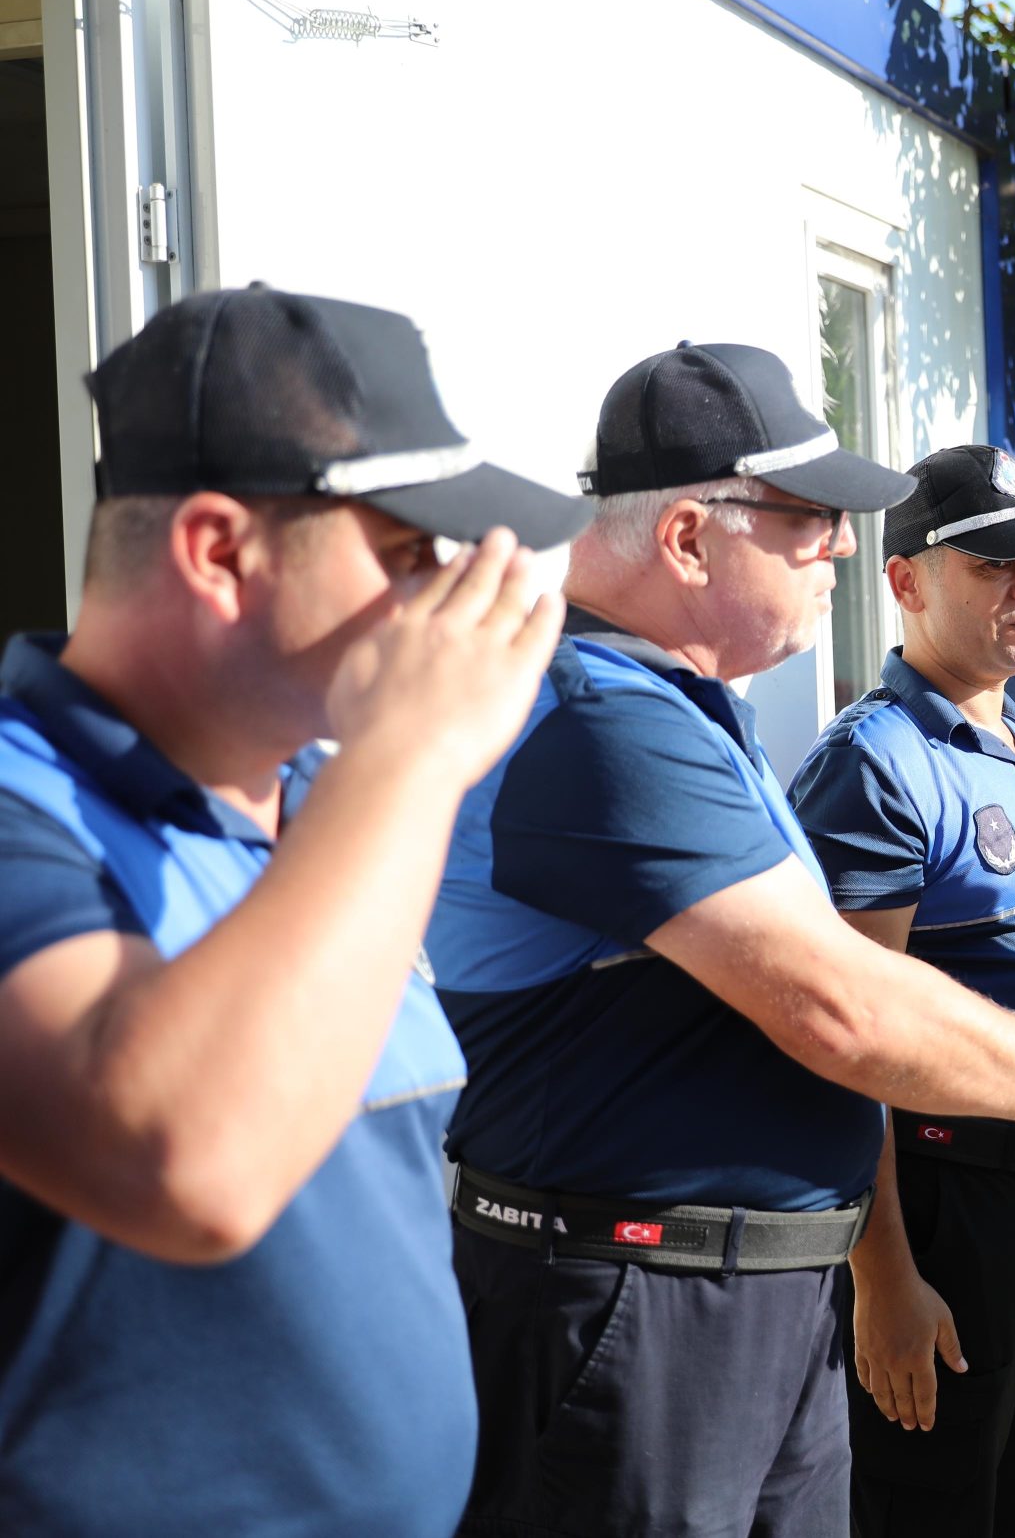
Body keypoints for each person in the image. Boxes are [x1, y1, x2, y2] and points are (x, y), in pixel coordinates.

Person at [427, 350, 1015, 1538]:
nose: (837, 547)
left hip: (724, 1293)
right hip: (638, 1300)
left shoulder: (674, 703)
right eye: (808, 519)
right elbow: (840, 1004)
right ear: (688, 537)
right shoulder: (600, 717)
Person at [0, 286, 586, 1535]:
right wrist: (408, 762)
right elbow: (183, 1165)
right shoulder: (24, 803)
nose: (442, 602)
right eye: (404, 552)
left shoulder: (329, 803)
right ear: (219, 552)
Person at [790, 444, 1015, 1538]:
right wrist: (885, 1277)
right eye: (995, 562)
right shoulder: (876, 762)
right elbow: (843, 1045)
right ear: (904, 581)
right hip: (942, 1218)